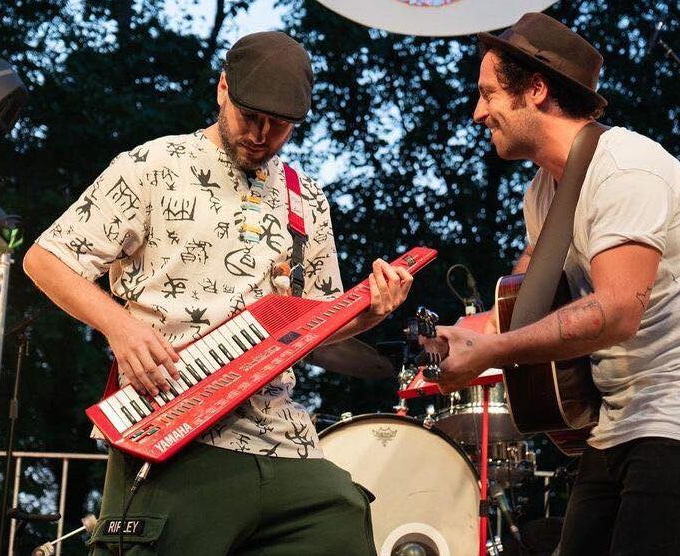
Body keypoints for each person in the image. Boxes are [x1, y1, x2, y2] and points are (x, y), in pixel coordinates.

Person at [23, 31, 411, 555]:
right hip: (170, 427)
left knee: (342, 511)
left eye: (281, 125)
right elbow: (45, 259)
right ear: (223, 89)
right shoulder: (152, 166)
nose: (262, 134)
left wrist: (371, 311)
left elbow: (317, 330)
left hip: (280, 436)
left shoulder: (306, 199)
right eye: (251, 115)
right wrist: (120, 327)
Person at [422, 13, 680, 555]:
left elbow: (615, 312)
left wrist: (494, 350)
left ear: (535, 89)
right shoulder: (542, 193)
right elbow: (530, 296)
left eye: (488, 94)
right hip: (620, 417)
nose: (478, 111)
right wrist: (465, 336)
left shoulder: (627, 168)